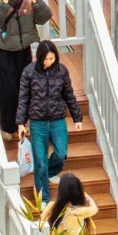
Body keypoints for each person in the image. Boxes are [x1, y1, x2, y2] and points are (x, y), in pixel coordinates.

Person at [17, 40, 84, 204]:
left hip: (57, 120)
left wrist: (77, 117)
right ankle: (44, 199)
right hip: (37, 123)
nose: (48, 62)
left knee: (61, 154)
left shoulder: (62, 71)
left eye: (52, 58)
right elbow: (23, 98)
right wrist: (20, 123)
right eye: (46, 59)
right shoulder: (29, 72)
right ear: (39, 58)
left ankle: (51, 171)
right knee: (39, 162)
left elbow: (69, 94)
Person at [0, 0, 53, 138]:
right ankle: (7, 126)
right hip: (4, 50)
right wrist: (3, 4)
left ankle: (22, 122)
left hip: (22, 49)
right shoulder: (0, 4)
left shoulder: (29, 3)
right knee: (7, 88)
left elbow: (45, 17)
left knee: (24, 86)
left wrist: (36, 1)